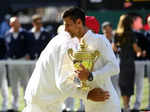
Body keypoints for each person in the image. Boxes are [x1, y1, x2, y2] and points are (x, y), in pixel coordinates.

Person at [23, 7, 120, 112]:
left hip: (45, 99)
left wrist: (89, 78)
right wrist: (87, 92)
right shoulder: (68, 43)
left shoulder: (95, 40)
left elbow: (113, 67)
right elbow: (64, 82)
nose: (85, 40)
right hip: (45, 102)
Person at [114, 14, 141, 112]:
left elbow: (114, 48)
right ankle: (127, 106)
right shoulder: (131, 34)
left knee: (122, 84)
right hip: (129, 63)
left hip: (120, 62)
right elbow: (136, 48)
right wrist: (140, 51)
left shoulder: (117, 34)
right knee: (129, 84)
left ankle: (125, 106)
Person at [4, 16, 31, 112]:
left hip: (22, 60)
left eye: (17, 22)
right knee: (13, 84)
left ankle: (27, 105)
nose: (15, 24)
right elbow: (7, 48)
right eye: (13, 22)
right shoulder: (7, 34)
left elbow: (29, 45)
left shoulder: (25, 33)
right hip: (11, 61)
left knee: (25, 83)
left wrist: (28, 54)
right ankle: (14, 106)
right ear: (10, 24)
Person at [128, 13, 148, 112]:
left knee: (139, 84)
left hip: (138, 62)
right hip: (128, 63)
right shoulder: (124, 34)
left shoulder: (140, 34)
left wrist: (143, 51)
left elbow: (146, 47)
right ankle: (129, 105)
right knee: (129, 85)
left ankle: (136, 106)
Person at [102, 21, 120, 96]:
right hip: (103, 65)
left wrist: (115, 46)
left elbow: (118, 50)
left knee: (115, 85)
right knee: (104, 86)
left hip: (114, 63)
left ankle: (117, 103)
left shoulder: (115, 39)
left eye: (109, 29)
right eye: (105, 30)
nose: (107, 31)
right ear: (103, 30)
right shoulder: (101, 39)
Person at [0, 38, 9, 112]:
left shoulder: (2, 39)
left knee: (3, 85)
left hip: (1, 64)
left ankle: (4, 106)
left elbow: (6, 51)